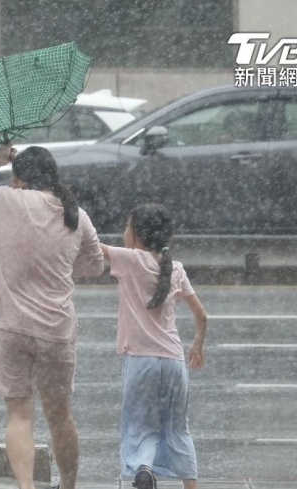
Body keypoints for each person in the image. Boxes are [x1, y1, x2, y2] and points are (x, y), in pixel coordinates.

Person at [0, 143, 104, 489]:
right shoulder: (77, 215)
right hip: (57, 330)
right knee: (60, 415)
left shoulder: (4, 201)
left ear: (19, 179)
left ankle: (27, 487)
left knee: (19, 414)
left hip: (11, 328)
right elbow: (94, 266)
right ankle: (67, 485)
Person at [98, 204, 207, 489]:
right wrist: (196, 345)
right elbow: (201, 315)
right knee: (178, 428)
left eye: (127, 226)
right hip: (174, 361)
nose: (124, 232)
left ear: (137, 235)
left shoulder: (131, 259)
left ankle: (143, 469)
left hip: (141, 361)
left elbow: (91, 246)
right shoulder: (176, 268)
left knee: (139, 425)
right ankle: (190, 485)